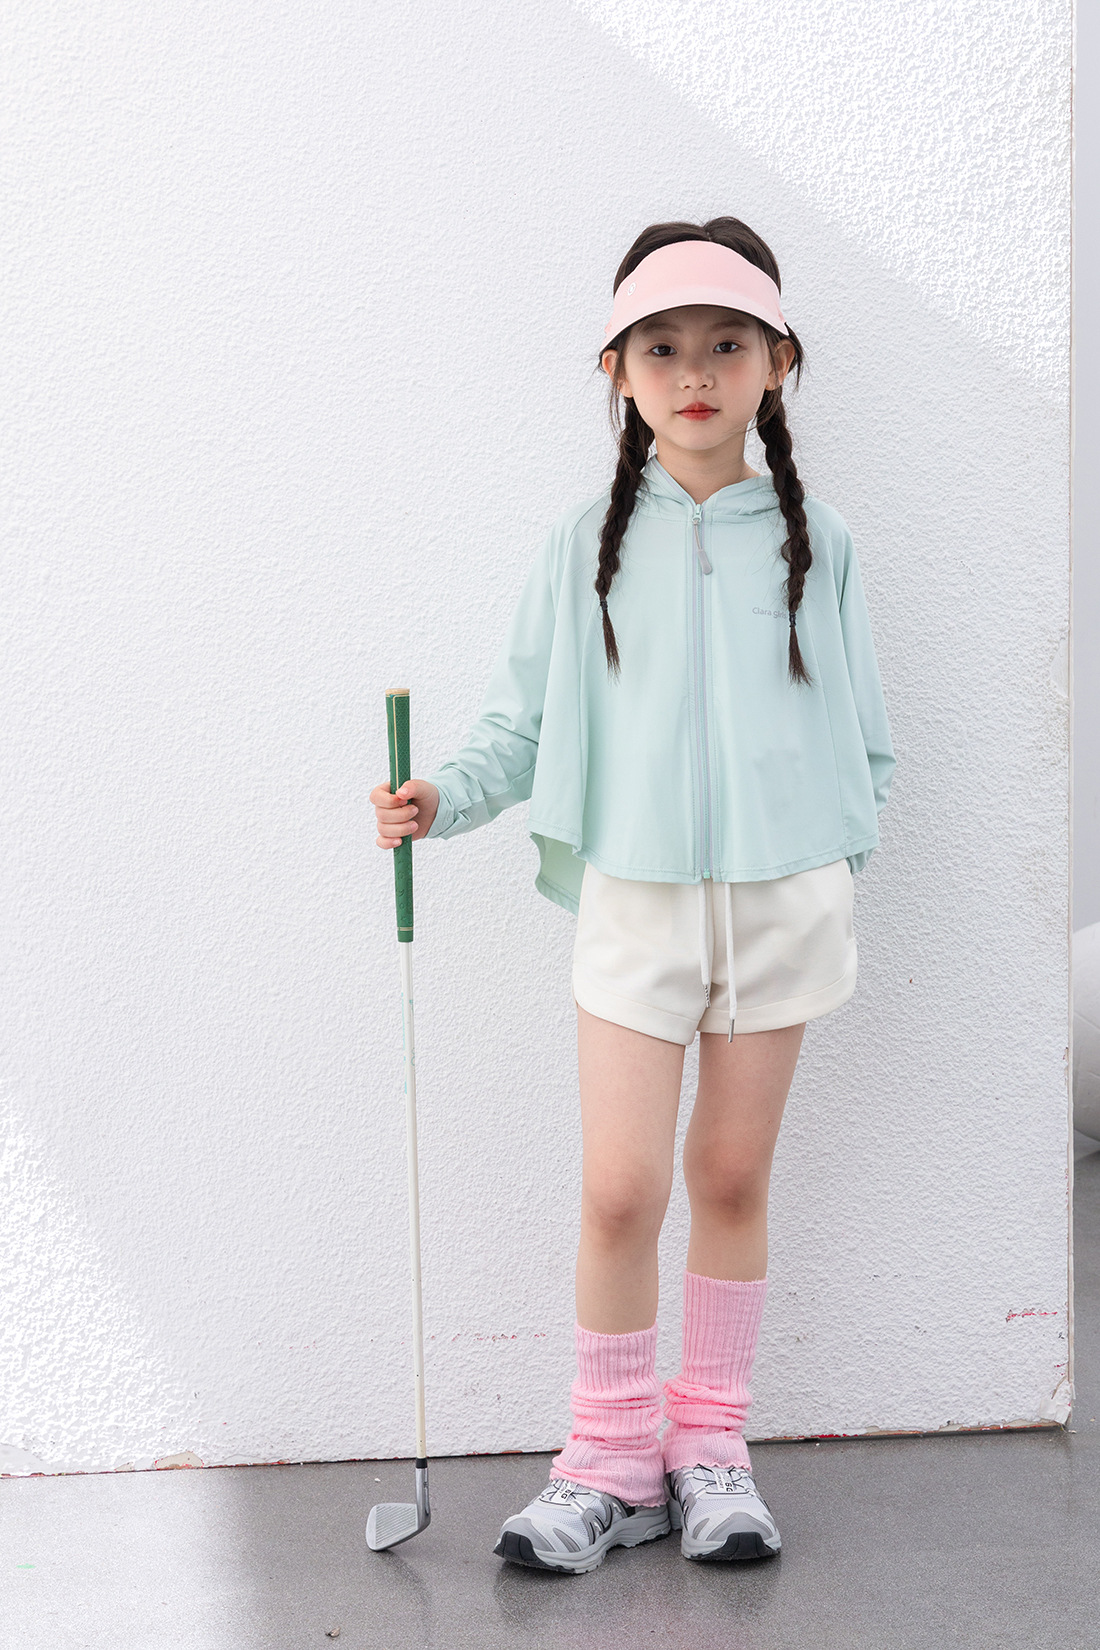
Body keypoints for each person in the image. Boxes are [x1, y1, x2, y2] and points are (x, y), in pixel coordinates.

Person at [371, 218, 896, 1574]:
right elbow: (522, 721)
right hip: (635, 903)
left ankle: (710, 1449)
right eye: (661, 347)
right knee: (618, 1188)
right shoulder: (582, 545)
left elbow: (865, 738)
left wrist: (831, 867)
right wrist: (444, 796)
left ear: (777, 362)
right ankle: (607, 1458)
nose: (695, 372)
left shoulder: (819, 541)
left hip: (782, 902)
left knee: (729, 1173)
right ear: (618, 371)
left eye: (726, 343)